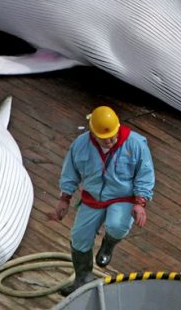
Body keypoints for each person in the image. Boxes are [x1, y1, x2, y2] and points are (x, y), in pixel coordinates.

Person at [54, 105, 155, 295]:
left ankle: (108, 245)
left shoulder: (135, 144)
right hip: (93, 198)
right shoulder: (80, 145)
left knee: (117, 225)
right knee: (79, 238)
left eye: (113, 135)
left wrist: (140, 203)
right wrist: (64, 198)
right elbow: (70, 172)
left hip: (123, 197)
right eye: (104, 137)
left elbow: (145, 174)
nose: (110, 140)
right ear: (93, 132)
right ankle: (82, 279)